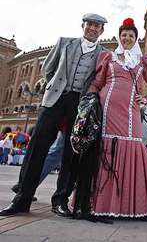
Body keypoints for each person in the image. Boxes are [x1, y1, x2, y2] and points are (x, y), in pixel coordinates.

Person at [0, 13, 107, 217]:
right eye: (90, 24)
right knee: (36, 148)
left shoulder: (102, 54)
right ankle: (21, 199)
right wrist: (55, 88)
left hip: (80, 105)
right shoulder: (64, 42)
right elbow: (48, 69)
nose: (93, 28)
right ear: (83, 25)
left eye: (98, 26)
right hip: (55, 100)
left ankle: (60, 201)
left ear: (102, 31)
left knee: (71, 153)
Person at [88, 17, 147, 221]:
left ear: (136, 39)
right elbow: (97, 83)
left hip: (130, 113)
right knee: (106, 154)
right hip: (106, 112)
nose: (127, 38)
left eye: (131, 35)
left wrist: (146, 98)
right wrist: (89, 101)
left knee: (135, 150)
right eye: (124, 35)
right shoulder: (108, 57)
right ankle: (99, 205)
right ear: (120, 37)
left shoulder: (142, 61)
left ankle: (137, 207)